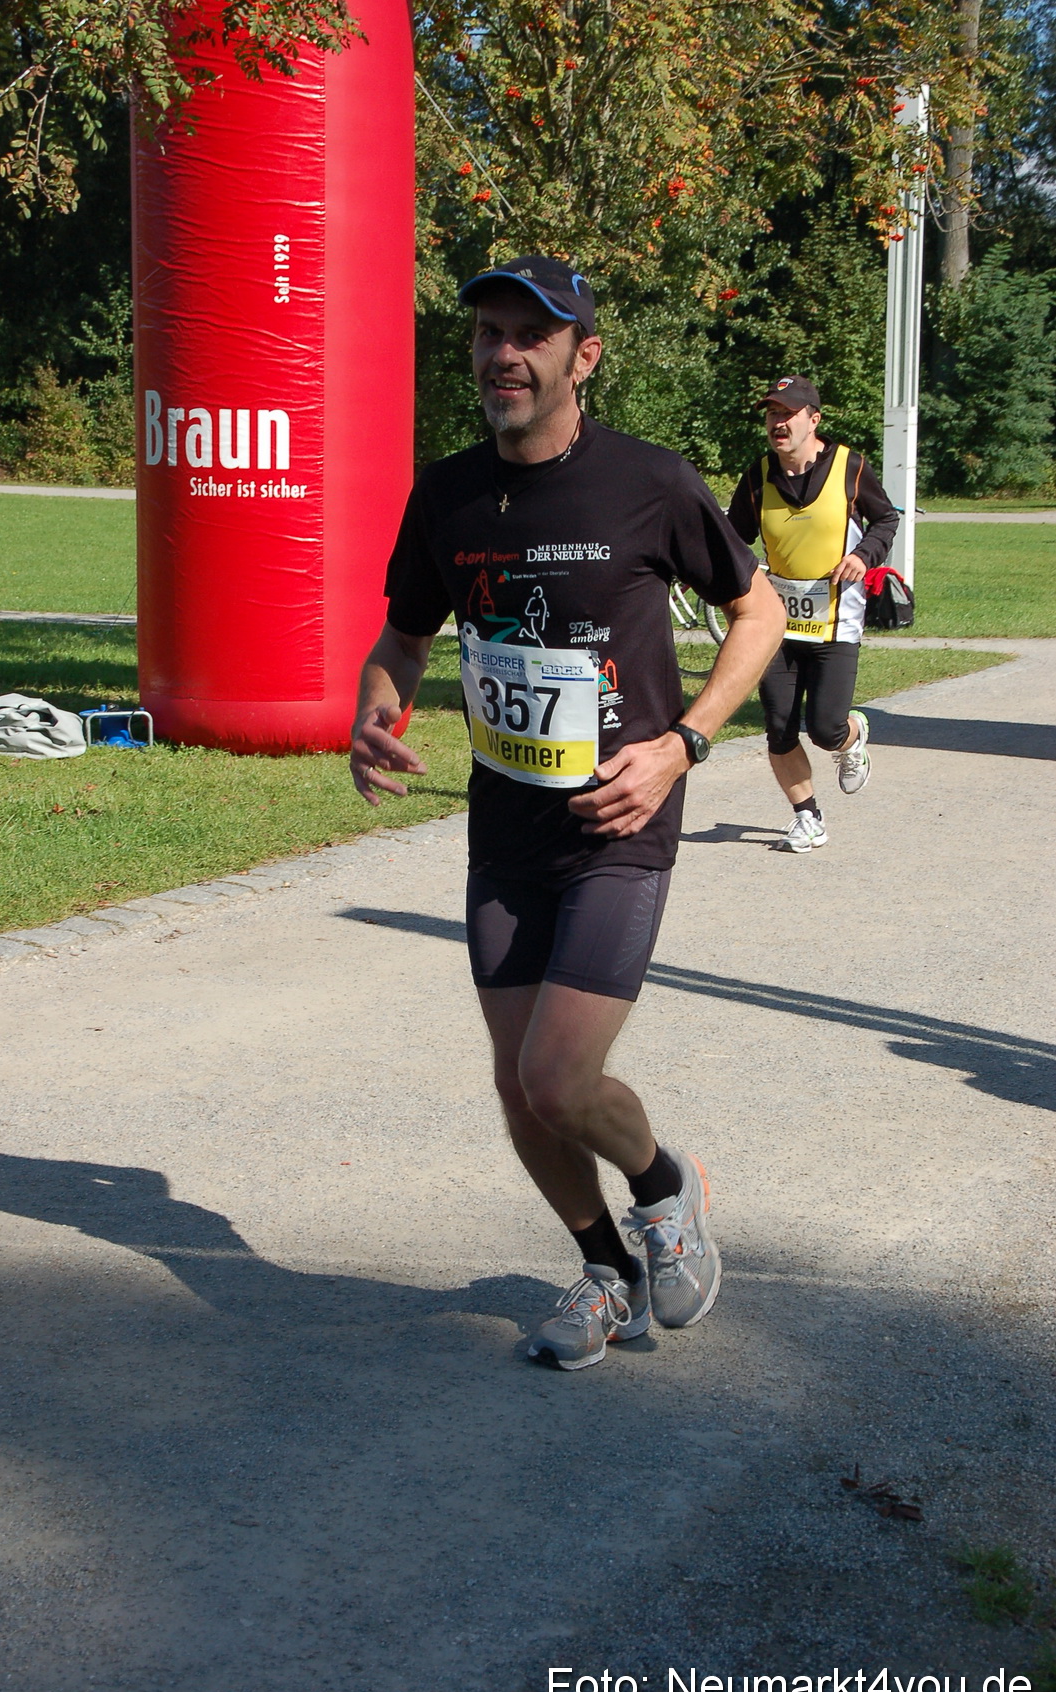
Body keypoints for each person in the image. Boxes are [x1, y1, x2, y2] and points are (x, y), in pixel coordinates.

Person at [350, 257, 784, 1371]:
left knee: (558, 1077)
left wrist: (682, 746)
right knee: (519, 1088)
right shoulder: (445, 492)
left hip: (617, 824)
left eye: (527, 337)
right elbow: (405, 633)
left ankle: (663, 1187)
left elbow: (760, 613)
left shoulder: (647, 482)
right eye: (487, 334)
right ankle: (606, 1270)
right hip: (505, 826)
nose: (501, 354)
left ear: (582, 356)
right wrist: (377, 705)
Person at [728, 375, 899, 851]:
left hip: (835, 620)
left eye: (788, 414)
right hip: (778, 624)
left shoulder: (850, 467)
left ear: (813, 419)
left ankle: (852, 734)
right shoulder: (758, 475)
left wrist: (864, 555)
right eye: (771, 414)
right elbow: (730, 537)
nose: (777, 423)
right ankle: (808, 817)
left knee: (825, 728)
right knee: (779, 727)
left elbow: (886, 518)